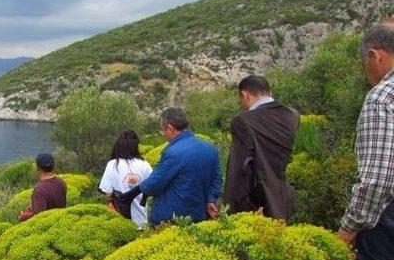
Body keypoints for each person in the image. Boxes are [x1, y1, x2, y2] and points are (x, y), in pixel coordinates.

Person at [338, 19, 394, 260]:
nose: (366, 73)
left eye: (364, 64)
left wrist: (348, 229)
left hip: (385, 219)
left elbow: (379, 179)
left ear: (376, 55)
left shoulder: (382, 97)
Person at [118, 108, 221, 225]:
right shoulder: (210, 148)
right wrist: (211, 200)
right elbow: (217, 180)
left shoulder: (173, 152)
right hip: (200, 217)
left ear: (170, 128)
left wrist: (134, 192)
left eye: (164, 131)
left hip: (172, 220)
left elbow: (155, 183)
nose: (164, 136)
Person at [224, 75, 300, 220]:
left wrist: (231, 211)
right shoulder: (293, 116)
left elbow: (239, 169)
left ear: (244, 95)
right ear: (269, 93)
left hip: (256, 203)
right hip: (282, 198)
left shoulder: (243, 121)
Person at [99, 129, 153, 228]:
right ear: (136, 146)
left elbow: (107, 193)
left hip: (119, 222)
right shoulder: (145, 165)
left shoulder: (113, 164)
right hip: (141, 221)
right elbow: (152, 189)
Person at [19, 153, 67, 221]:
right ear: (53, 166)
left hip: (49, 227)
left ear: (37, 168)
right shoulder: (61, 182)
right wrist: (34, 206)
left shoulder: (39, 190)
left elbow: (39, 218)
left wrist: (23, 216)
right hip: (61, 221)